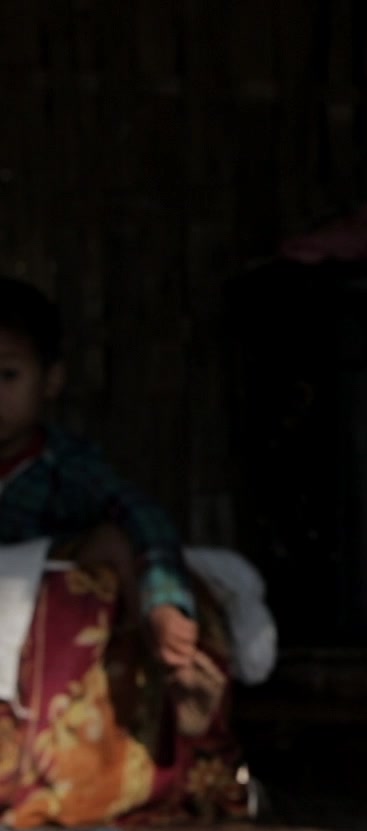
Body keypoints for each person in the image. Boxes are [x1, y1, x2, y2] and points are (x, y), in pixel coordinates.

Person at [0, 277, 210, 684]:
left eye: (7, 375)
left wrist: (163, 604)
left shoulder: (68, 466)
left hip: (50, 622)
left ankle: (167, 668)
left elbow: (142, 518)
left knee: (114, 540)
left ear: (51, 381)